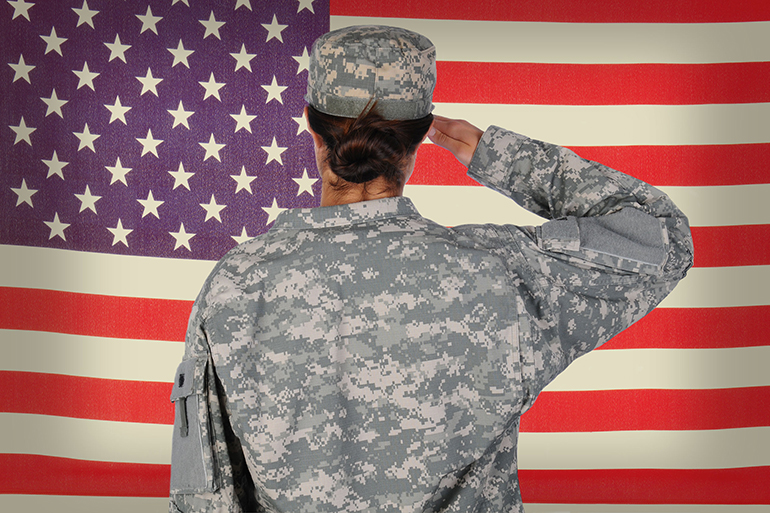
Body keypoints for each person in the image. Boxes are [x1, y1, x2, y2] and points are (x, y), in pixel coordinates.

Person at [168, 26, 693, 513]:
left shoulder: (235, 286)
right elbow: (662, 236)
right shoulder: (500, 274)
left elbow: (204, 496)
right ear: (420, 136)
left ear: (309, 124)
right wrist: (498, 156)